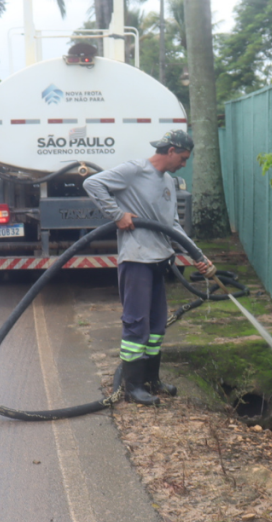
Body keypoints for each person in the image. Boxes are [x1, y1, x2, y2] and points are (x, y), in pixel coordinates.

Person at [83, 129, 213, 405]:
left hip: (160, 260)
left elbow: (173, 226)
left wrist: (197, 254)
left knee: (156, 325)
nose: (184, 164)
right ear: (170, 151)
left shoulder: (167, 181)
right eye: (184, 158)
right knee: (136, 323)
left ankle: (151, 381)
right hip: (137, 259)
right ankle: (133, 387)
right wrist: (117, 215)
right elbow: (93, 184)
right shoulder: (135, 170)